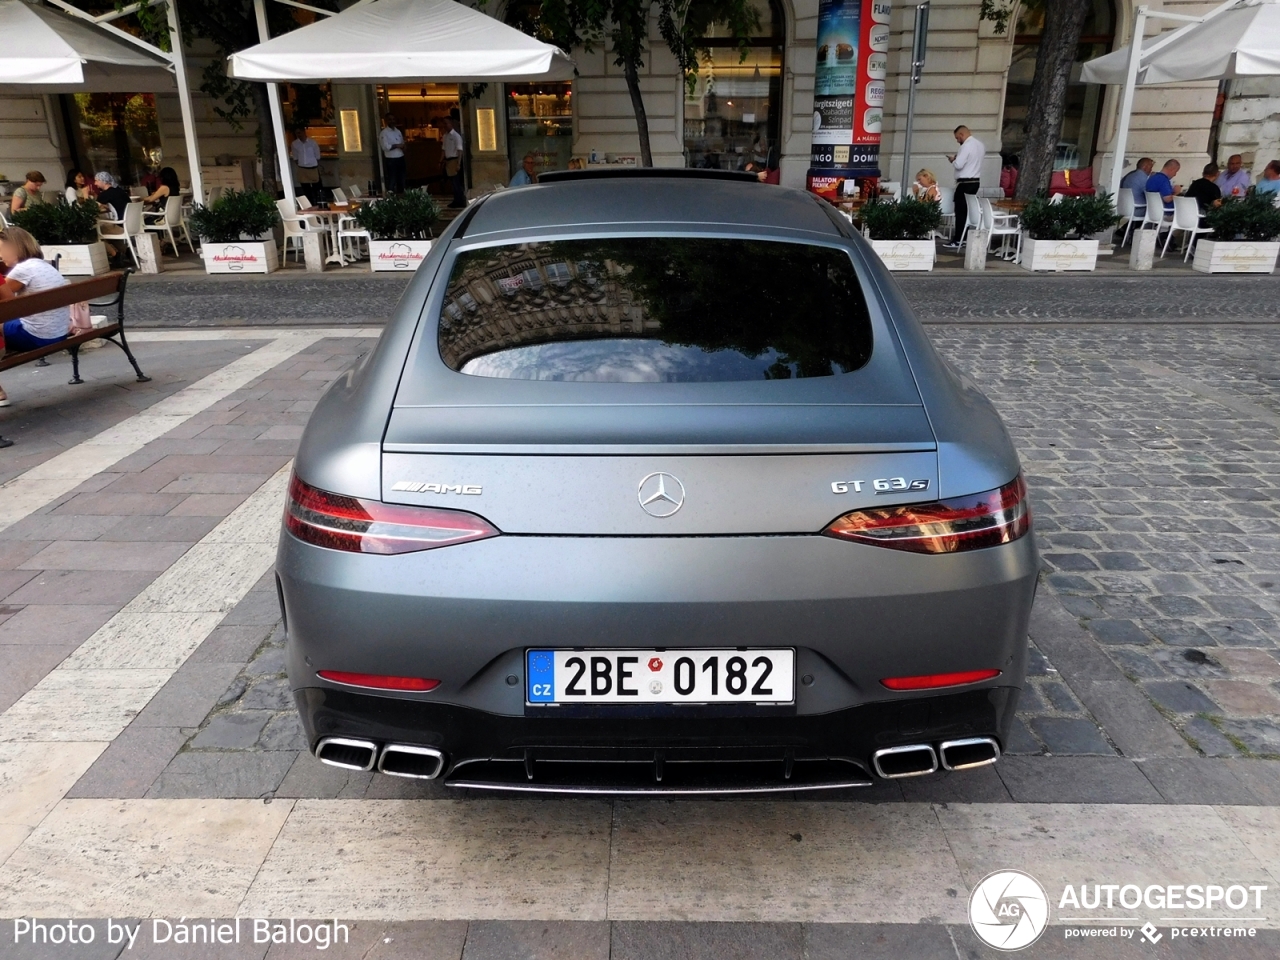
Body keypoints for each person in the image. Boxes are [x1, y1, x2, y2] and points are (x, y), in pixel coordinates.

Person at [0, 225, 70, 415]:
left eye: (2, 249)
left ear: (15, 248)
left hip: (36, 336)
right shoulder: (43, 265)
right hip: (59, 333)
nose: (1, 255)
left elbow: (4, 297)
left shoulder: (22, 270)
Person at [945, 125, 984, 246]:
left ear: (962, 135)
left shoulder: (965, 146)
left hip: (964, 183)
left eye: (957, 138)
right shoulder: (980, 145)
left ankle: (958, 239)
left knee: (960, 211)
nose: (957, 141)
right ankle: (964, 237)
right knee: (967, 211)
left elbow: (959, 165)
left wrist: (953, 160)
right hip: (975, 181)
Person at [94, 171, 132, 259]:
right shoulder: (120, 191)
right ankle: (124, 251)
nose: (95, 183)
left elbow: (92, 208)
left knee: (97, 231)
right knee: (106, 229)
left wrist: (86, 196)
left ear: (102, 181)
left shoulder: (104, 195)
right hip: (131, 225)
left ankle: (116, 255)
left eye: (96, 181)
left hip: (121, 226)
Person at [290, 127, 323, 195]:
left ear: (303, 132)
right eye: (297, 133)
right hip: (302, 168)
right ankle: (309, 203)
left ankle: (318, 202)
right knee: (306, 189)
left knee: (317, 187)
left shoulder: (312, 143)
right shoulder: (295, 144)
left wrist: (314, 163)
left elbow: (317, 155)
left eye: (299, 133)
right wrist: (300, 164)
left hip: (312, 167)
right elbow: (295, 157)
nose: (298, 135)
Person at [442, 116, 466, 208]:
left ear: (451, 124)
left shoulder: (456, 136)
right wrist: (441, 161)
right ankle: (456, 199)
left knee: (456, 182)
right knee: (452, 182)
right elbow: (443, 149)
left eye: (446, 123)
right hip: (448, 161)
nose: (444, 125)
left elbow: (460, 150)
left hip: (454, 160)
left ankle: (459, 200)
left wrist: (459, 163)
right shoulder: (445, 136)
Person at [380, 115, 406, 194]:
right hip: (391, 159)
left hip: (400, 157)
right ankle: (391, 198)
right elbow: (385, 147)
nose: (392, 121)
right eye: (390, 119)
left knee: (402, 178)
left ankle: (402, 196)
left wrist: (403, 146)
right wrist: (397, 145)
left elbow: (402, 143)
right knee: (392, 179)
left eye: (393, 119)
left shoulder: (398, 131)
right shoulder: (384, 133)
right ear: (386, 121)